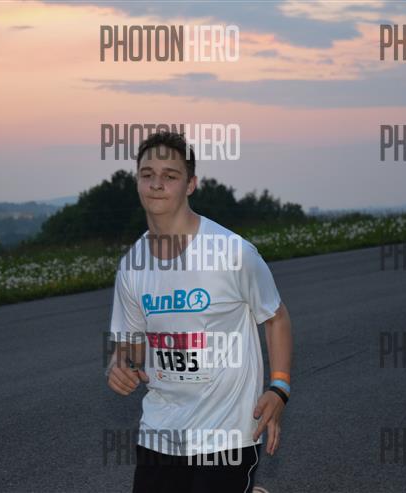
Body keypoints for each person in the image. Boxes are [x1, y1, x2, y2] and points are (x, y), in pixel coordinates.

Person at [106, 131, 293, 493]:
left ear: (190, 184)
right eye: (147, 174)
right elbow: (130, 345)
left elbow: (276, 317)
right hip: (161, 432)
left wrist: (279, 387)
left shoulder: (232, 252)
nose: (156, 184)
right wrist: (120, 365)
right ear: (137, 182)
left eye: (170, 175)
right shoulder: (132, 265)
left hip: (227, 432)